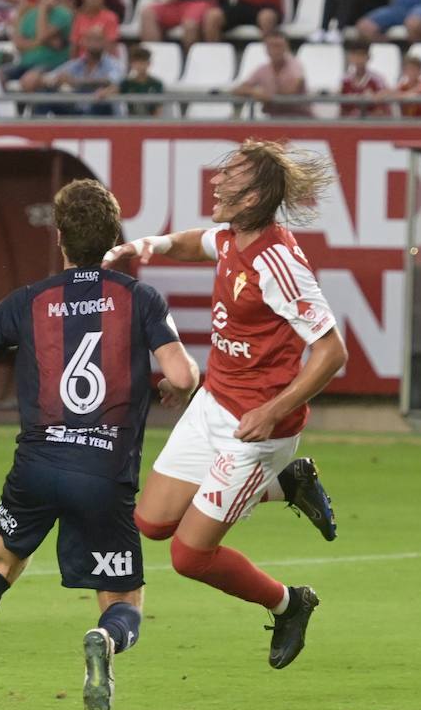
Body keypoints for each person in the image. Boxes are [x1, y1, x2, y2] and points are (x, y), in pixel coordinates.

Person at [0, 179, 198, 710]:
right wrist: (170, 388)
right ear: (113, 236)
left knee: (0, 561)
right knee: (123, 601)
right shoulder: (139, 298)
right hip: (103, 473)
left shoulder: (29, 300)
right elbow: (184, 374)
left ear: (60, 239)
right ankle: (105, 639)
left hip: (38, 468)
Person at [101, 140, 342, 672]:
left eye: (229, 176)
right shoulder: (235, 238)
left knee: (188, 557)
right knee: (150, 522)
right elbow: (198, 243)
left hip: (255, 431)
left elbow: (331, 352)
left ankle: (289, 602)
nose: (216, 182)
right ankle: (289, 484)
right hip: (214, 403)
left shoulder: (277, 261)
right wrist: (152, 244)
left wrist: (273, 411)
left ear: (255, 194)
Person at [234, 31, 307, 117]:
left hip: (300, 119)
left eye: (279, 46)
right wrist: (254, 91)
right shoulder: (263, 70)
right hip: (274, 119)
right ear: (267, 49)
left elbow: (293, 89)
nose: (276, 50)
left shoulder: (295, 66)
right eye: (272, 46)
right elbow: (238, 89)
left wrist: (267, 95)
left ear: (286, 47)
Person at [338, 38, 389, 116]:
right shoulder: (345, 81)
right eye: (355, 56)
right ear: (350, 58)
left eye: (362, 56)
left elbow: (383, 111)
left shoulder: (377, 80)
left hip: (371, 124)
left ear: (368, 57)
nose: (359, 60)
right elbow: (342, 111)